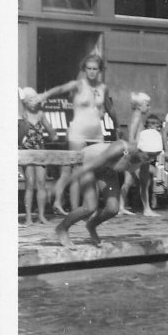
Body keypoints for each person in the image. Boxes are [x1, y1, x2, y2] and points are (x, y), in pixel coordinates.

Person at [34, 53, 116, 215]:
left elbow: (109, 107)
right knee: (77, 171)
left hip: (97, 134)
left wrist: (117, 124)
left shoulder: (103, 87)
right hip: (78, 133)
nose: (92, 72)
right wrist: (44, 95)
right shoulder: (78, 84)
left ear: (100, 70)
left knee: (95, 170)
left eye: (95, 69)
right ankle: (75, 209)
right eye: (89, 68)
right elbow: (60, 89)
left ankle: (90, 209)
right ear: (84, 69)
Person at [53, 129, 164, 248]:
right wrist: (63, 186)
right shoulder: (120, 148)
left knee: (113, 209)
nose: (151, 159)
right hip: (87, 164)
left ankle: (91, 225)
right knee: (89, 207)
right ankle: (62, 228)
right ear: (139, 148)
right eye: (150, 155)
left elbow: (143, 183)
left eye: (155, 156)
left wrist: (147, 207)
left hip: (107, 170)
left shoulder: (145, 158)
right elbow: (90, 166)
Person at [18, 87, 56, 225]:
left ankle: (41, 215)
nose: (34, 101)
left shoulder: (40, 113)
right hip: (27, 151)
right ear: (26, 102)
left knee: (41, 183)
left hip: (40, 151)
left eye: (36, 98)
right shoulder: (22, 115)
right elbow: (18, 136)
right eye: (31, 99)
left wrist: (53, 134)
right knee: (30, 183)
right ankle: (28, 217)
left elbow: (50, 129)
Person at [119, 92, 159, 217]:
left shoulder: (138, 117)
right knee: (141, 181)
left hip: (139, 152)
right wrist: (130, 155)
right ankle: (146, 208)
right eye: (147, 105)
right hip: (138, 153)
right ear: (138, 106)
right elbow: (131, 138)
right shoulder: (136, 118)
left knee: (133, 181)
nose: (149, 107)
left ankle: (122, 206)